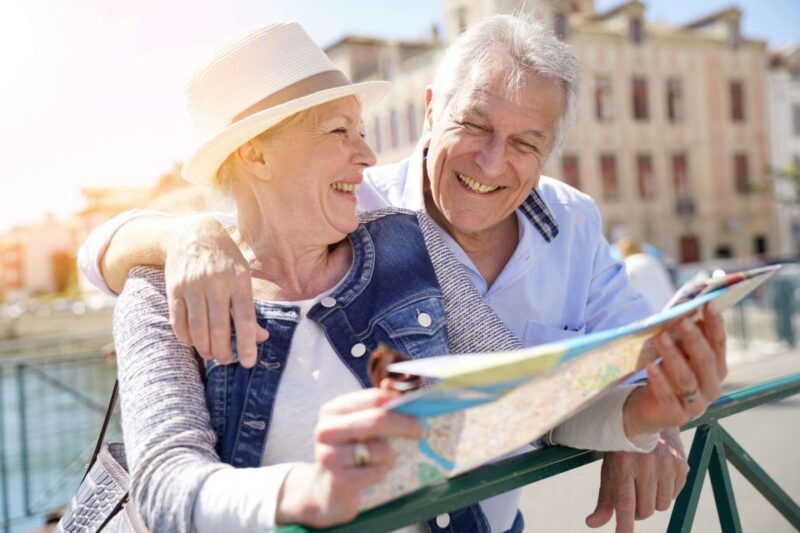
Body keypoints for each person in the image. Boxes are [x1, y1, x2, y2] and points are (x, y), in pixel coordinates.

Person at [80, 16, 727, 532]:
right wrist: (308, 491)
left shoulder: (402, 238)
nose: (368, 156)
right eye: (340, 130)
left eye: (526, 142)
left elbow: (534, 399)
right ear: (255, 152)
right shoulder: (160, 284)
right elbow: (166, 483)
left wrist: (644, 416)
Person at [617, 237, 676, 311]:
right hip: (668, 304)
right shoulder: (651, 260)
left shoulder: (628, 264)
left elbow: (623, 291)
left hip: (649, 310)